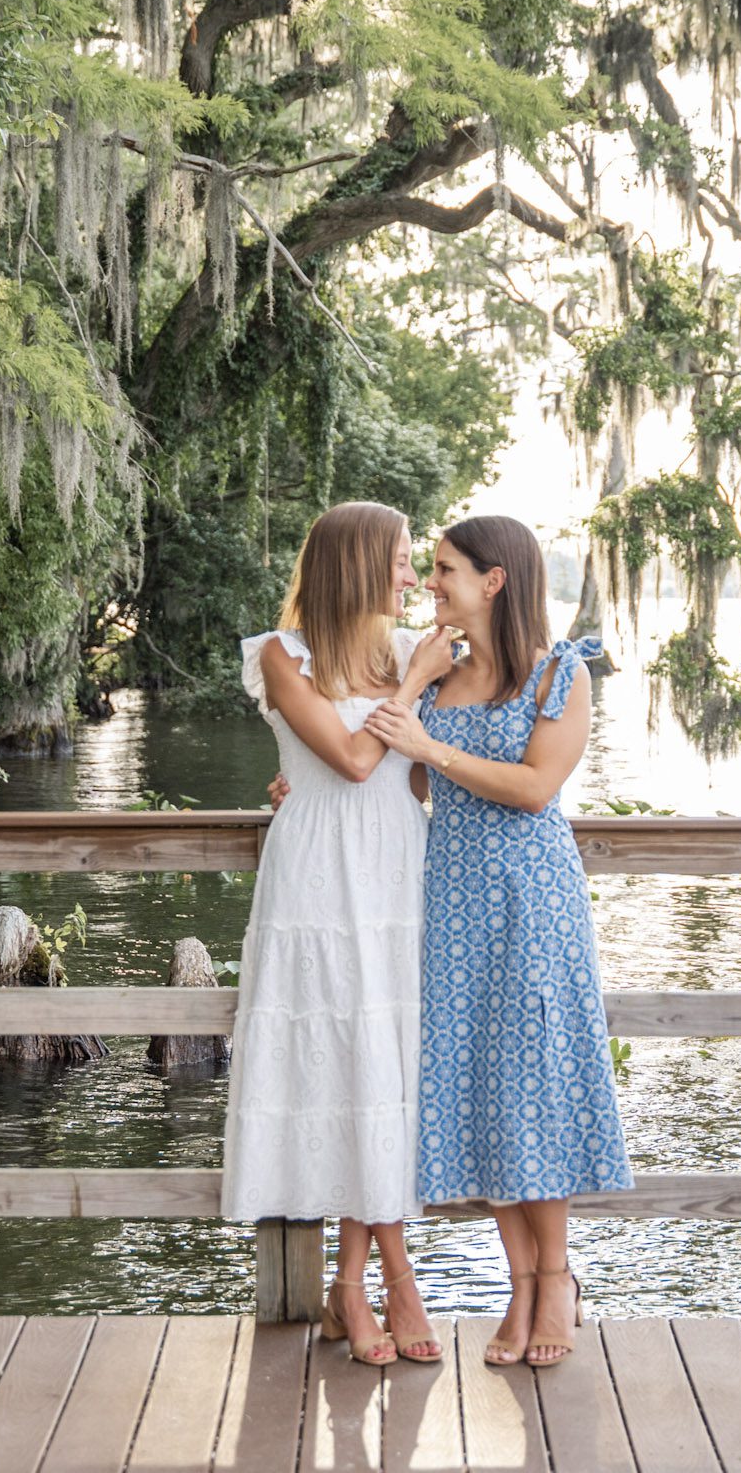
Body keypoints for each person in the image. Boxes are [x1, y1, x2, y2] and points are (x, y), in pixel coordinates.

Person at [365, 514, 633, 1368]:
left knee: (532, 1091)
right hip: (451, 905)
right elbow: (396, 778)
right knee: (481, 1090)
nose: (431, 583)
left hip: (529, 901)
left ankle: (557, 1280)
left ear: (495, 580)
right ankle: (516, 1289)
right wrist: (297, 781)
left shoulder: (561, 672)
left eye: (444, 570)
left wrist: (429, 749)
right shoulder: (441, 674)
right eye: (432, 569)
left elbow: (534, 787)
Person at [221, 501, 454, 1366]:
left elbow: (415, 780)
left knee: (382, 1070)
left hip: (396, 871)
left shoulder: (404, 654)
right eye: (400, 560)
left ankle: (354, 1289)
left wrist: (418, 681)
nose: (411, 575)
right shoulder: (283, 656)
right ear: (358, 564)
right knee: (341, 1067)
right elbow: (353, 763)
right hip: (319, 879)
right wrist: (414, 684)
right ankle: (389, 1284)